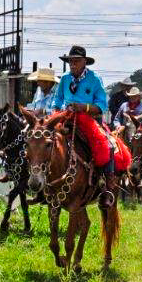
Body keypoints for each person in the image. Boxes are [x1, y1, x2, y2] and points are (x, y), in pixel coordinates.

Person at [51, 45, 116, 208]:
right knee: (43, 139)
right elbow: (57, 99)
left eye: (76, 61)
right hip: (66, 117)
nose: (73, 64)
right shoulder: (65, 78)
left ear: (84, 62)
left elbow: (102, 105)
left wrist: (83, 107)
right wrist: (56, 111)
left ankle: (107, 185)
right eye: (70, 61)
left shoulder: (95, 79)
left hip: (89, 119)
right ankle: (43, 182)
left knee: (108, 145)